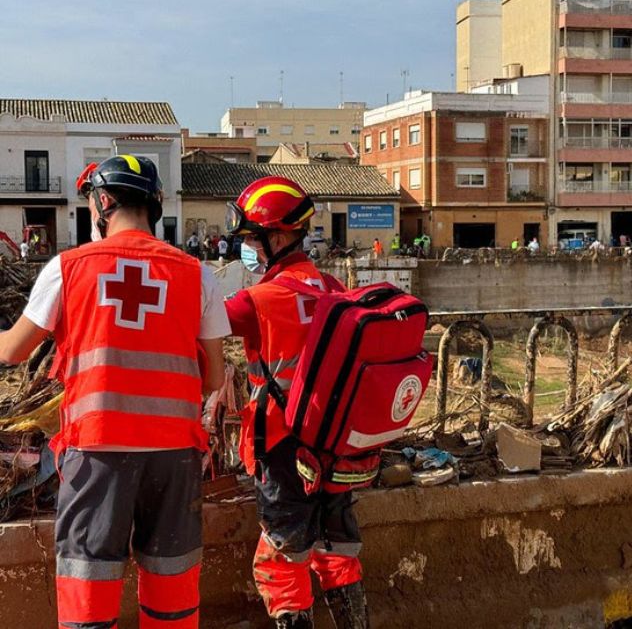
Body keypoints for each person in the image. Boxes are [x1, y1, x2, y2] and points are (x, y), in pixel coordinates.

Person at [0, 155, 229, 629]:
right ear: (155, 206)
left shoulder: (69, 267)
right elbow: (212, 379)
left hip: (97, 454)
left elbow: (13, 352)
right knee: (172, 594)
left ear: (102, 203)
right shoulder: (197, 273)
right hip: (174, 456)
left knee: (90, 593)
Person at [224, 176, 369, 629]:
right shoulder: (332, 287)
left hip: (283, 447)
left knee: (280, 564)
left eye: (253, 239)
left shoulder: (258, 300)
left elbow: (200, 325)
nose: (249, 249)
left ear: (281, 236)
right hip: (336, 444)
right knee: (336, 551)